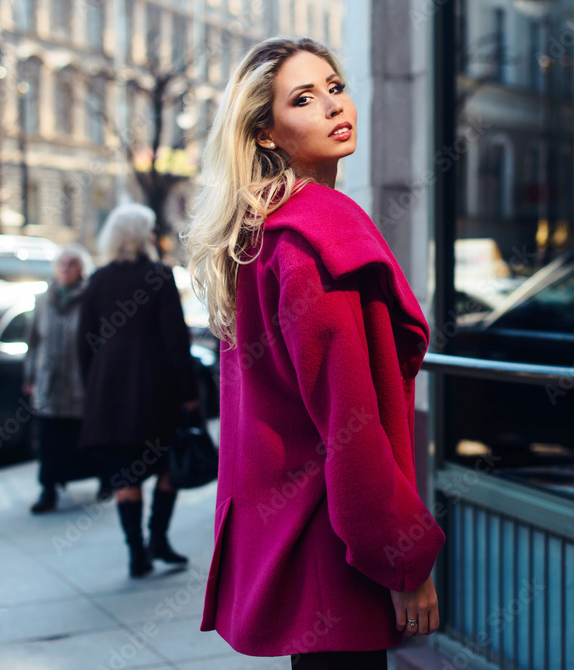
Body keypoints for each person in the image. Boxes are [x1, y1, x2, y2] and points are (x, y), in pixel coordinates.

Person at [186, 38, 444, 668]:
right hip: (336, 547)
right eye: (303, 98)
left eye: (334, 86)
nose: (333, 104)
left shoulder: (265, 239)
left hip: (304, 541)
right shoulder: (315, 240)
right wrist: (404, 557)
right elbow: (350, 428)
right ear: (267, 133)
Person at [78, 204, 199, 578]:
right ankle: (157, 538)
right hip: (154, 385)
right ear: (140, 235)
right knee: (167, 464)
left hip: (109, 389)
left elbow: (84, 342)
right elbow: (176, 340)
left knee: (125, 474)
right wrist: (190, 391)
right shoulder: (159, 276)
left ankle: (137, 554)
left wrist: (92, 387)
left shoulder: (97, 280)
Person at [24, 244, 99, 514]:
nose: (65, 268)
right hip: (49, 383)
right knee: (48, 439)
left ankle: (102, 480)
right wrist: (30, 376)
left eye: (72, 263)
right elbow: (33, 340)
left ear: (82, 268)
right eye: (61, 263)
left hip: (81, 383)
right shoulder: (43, 299)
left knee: (86, 437)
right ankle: (49, 489)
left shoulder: (91, 296)